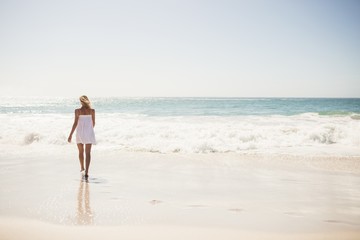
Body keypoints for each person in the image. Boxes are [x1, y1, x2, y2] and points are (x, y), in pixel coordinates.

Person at [68, 95, 96, 179]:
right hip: (88, 132)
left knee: (80, 151)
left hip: (80, 132)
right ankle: (87, 171)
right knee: (88, 153)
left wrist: (70, 135)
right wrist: (89, 130)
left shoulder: (77, 111)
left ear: (81, 102)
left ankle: (82, 168)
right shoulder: (92, 111)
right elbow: (93, 123)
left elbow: (75, 123)